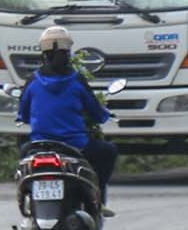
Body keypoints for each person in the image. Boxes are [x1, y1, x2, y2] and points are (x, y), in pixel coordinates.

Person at [16, 26, 118, 214]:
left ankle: (26, 204)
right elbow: (96, 112)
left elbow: (23, 113)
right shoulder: (76, 80)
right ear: (68, 51)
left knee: (23, 158)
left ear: (43, 52)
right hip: (75, 146)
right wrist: (103, 115)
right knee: (107, 151)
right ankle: (98, 200)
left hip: (39, 146)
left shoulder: (33, 81)